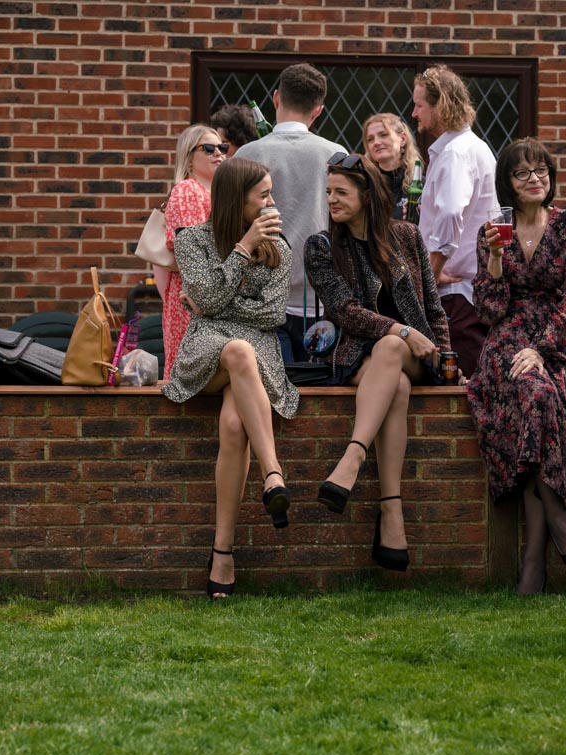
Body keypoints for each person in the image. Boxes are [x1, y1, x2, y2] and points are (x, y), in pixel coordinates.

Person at [468, 139, 566, 594]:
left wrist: (544, 350)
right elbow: (489, 309)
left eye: (541, 172)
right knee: (534, 394)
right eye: (522, 174)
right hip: (508, 334)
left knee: (542, 393)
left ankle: (534, 555)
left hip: (561, 337)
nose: (534, 180)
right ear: (507, 184)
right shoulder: (493, 231)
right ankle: (554, 516)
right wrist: (493, 258)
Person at [305, 153, 450, 573]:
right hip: (359, 358)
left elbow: (435, 310)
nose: (332, 199)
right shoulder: (322, 247)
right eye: (328, 192)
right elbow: (344, 310)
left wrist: (444, 355)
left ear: (367, 196)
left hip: (419, 357)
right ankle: (392, 516)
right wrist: (400, 330)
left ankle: (352, 458)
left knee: (392, 352)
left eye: (341, 192)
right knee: (395, 382)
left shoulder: (406, 236)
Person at [162, 157, 298, 599]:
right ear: (235, 201)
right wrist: (240, 251)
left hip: (255, 353)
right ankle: (272, 473)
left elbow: (273, 313)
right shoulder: (192, 242)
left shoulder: (279, 247)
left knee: (234, 422)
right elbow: (208, 298)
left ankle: (223, 552)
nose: (272, 203)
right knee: (237, 349)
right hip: (206, 353)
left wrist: (210, 304)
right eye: (264, 196)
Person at [234, 63, 347, 364]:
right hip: (322, 300)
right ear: (318, 110)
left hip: (260, 297)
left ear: (275, 98)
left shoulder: (246, 156)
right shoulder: (336, 155)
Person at [412, 64, 498, 378]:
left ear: (442, 106)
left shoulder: (456, 154)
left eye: (420, 105)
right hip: (466, 290)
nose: (414, 113)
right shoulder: (471, 148)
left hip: (457, 294)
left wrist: (431, 274)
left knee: (463, 386)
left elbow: (450, 214)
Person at [159, 124, 227, 381]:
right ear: (189, 155)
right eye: (208, 148)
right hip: (192, 297)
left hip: (209, 294)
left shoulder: (213, 192)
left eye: (222, 148)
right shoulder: (188, 191)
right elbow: (191, 252)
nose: (218, 154)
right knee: (192, 374)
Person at [362, 112, 419, 221]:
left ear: (402, 139)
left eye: (383, 135)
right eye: (370, 139)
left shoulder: (419, 184)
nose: (376, 142)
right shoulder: (363, 185)